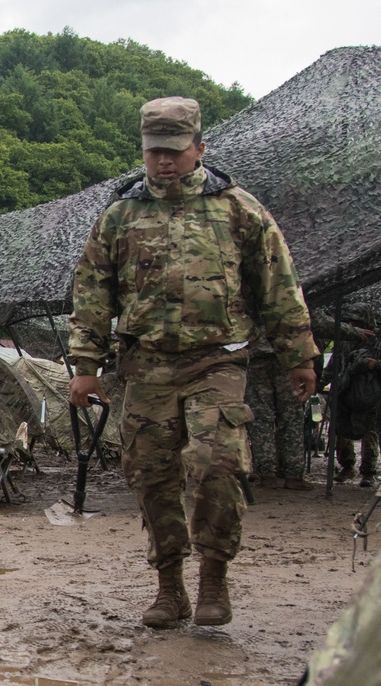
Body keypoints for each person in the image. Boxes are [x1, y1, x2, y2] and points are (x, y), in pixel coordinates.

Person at [68, 97, 318, 628]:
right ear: (143, 150)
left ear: (199, 149)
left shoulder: (239, 210)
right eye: (154, 151)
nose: (163, 161)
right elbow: (93, 293)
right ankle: (169, 589)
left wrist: (299, 355)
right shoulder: (120, 216)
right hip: (147, 367)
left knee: (217, 465)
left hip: (217, 362)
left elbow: (279, 284)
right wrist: (85, 365)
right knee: (152, 477)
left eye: (174, 151)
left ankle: (213, 578)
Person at [245, 327, 313, 490]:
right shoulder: (287, 302)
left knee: (260, 418)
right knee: (291, 417)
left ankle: (266, 474)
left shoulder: (248, 301)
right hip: (287, 356)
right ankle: (294, 475)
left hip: (255, 357)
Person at [322, 302, 381, 487]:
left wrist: (373, 365)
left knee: (369, 431)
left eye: (359, 323)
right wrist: (320, 382)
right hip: (344, 390)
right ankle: (347, 465)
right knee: (340, 429)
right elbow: (333, 364)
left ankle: (368, 472)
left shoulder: (377, 341)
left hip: (369, 393)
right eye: (352, 322)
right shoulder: (344, 339)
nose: (355, 326)